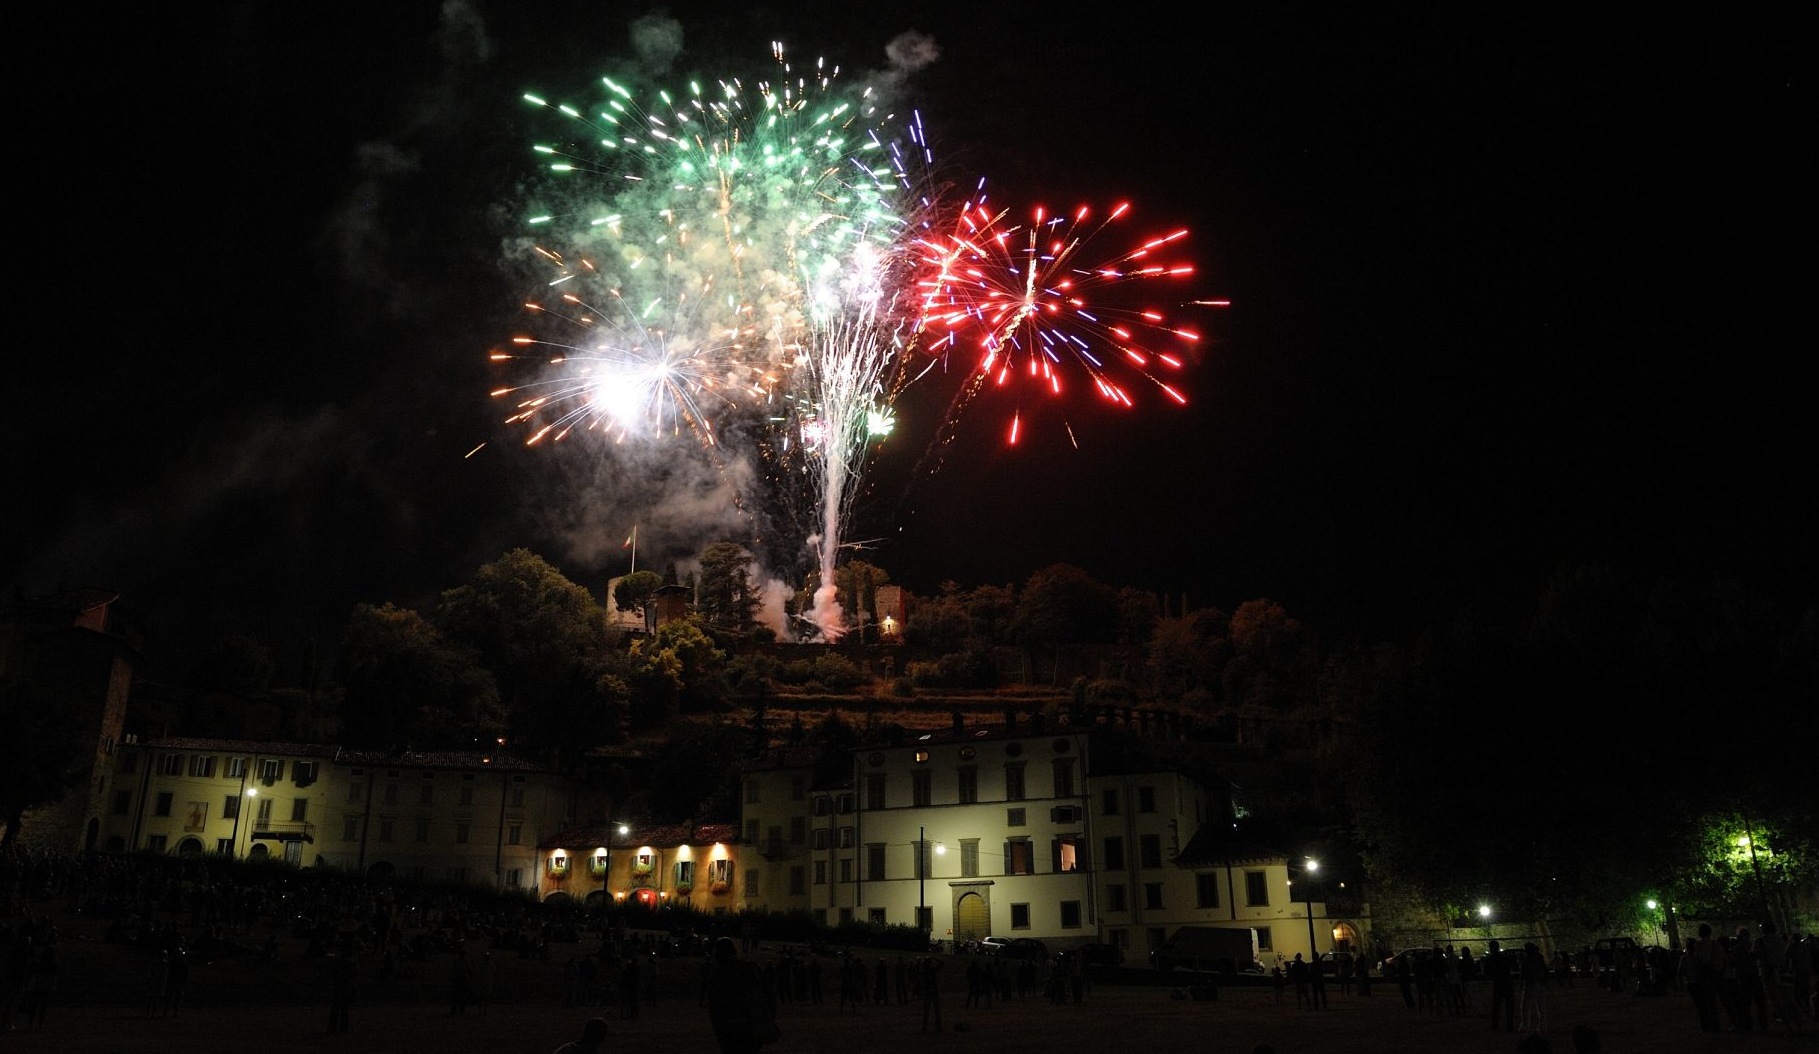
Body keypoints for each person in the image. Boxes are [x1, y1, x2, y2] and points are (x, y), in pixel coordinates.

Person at [706, 936, 776, 1054]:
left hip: (731, 1030)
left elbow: (715, 1009)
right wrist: (767, 1019)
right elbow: (769, 995)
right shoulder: (750, 969)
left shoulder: (718, 976)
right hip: (751, 1027)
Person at [1485, 940, 1517, 1032]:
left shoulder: (1490, 959)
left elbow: (1488, 973)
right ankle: (1509, 1026)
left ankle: (1495, 1025)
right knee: (1509, 1006)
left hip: (1499, 984)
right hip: (1507, 983)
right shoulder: (1504, 958)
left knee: (1496, 1007)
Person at [327, 948, 357, 1034]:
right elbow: (355, 976)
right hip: (348, 988)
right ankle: (343, 1028)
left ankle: (332, 1028)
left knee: (335, 1009)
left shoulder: (338, 963)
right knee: (345, 1010)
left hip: (339, 987)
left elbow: (334, 974)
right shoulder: (353, 964)